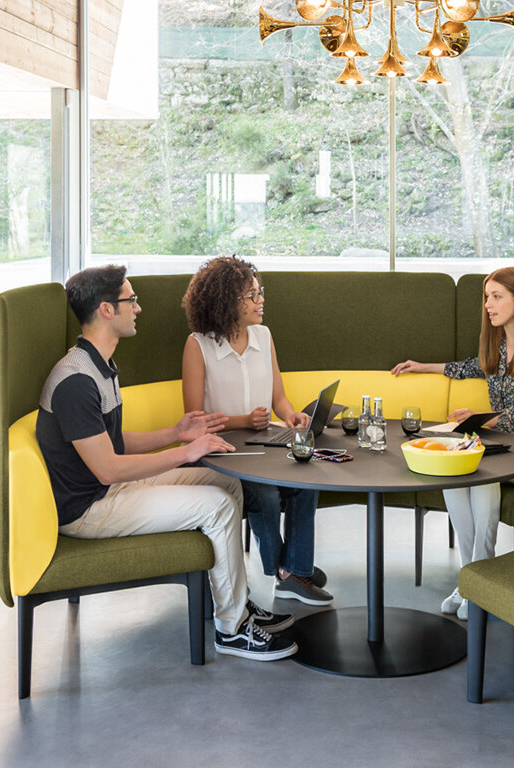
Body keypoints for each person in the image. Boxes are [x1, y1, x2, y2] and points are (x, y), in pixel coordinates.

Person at [37, 264, 296, 660]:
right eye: (131, 300)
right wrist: (184, 453)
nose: (138, 308)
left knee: (227, 485)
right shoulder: (76, 381)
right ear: (106, 310)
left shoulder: (98, 364)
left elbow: (110, 441)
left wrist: (177, 432)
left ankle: (237, 602)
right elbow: (108, 468)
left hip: (109, 490)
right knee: (217, 505)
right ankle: (232, 629)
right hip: (90, 508)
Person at [391, 267, 514, 618]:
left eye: (496, 297)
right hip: (509, 448)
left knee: (483, 468)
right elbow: (467, 367)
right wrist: (423, 367)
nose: (488, 305)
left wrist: (483, 419)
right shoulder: (497, 347)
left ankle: (481, 583)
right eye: (486, 297)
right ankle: (470, 580)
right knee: (454, 467)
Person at [180, 256, 334, 606]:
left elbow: (278, 397)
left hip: (266, 446)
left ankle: (294, 570)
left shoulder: (264, 336)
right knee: (264, 494)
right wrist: (244, 421)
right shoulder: (198, 345)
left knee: (307, 479)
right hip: (221, 452)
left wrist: (292, 415)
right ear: (227, 301)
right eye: (252, 295)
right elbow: (194, 421)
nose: (261, 300)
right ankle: (288, 571)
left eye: (260, 292)